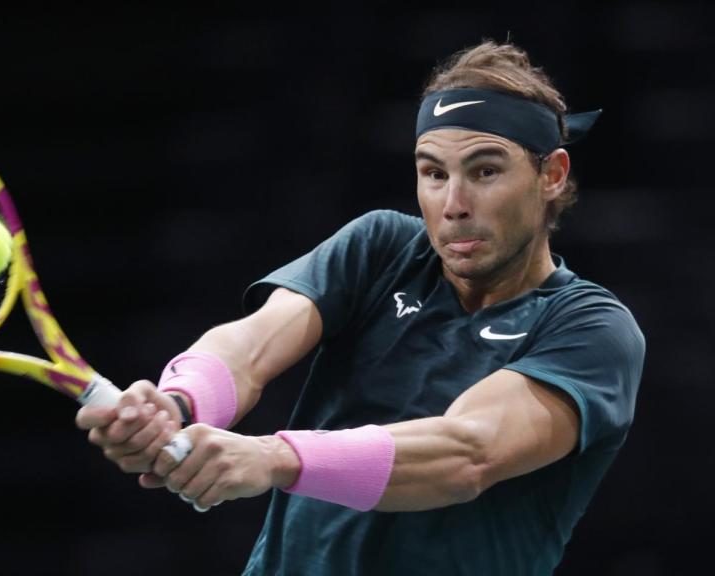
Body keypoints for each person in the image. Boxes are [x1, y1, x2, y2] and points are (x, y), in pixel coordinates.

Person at [76, 40, 645, 575]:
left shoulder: (592, 329)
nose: (453, 204)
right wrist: (178, 403)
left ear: (552, 175)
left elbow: (467, 453)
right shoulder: (380, 249)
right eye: (433, 173)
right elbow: (252, 345)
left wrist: (276, 458)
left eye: (485, 171)